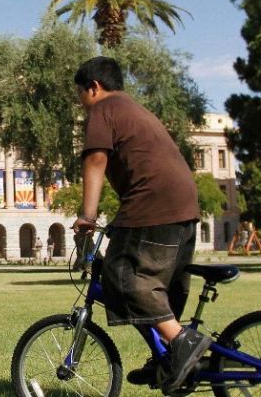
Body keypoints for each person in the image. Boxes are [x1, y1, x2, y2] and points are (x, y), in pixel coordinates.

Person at [70, 56, 209, 394]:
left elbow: (96, 158)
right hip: (184, 206)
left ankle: (182, 342)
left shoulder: (103, 109)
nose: (80, 102)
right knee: (162, 288)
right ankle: (164, 359)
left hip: (153, 203)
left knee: (120, 274)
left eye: (80, 94)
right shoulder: (136, 110)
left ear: (94, 87)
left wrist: (87, 217)